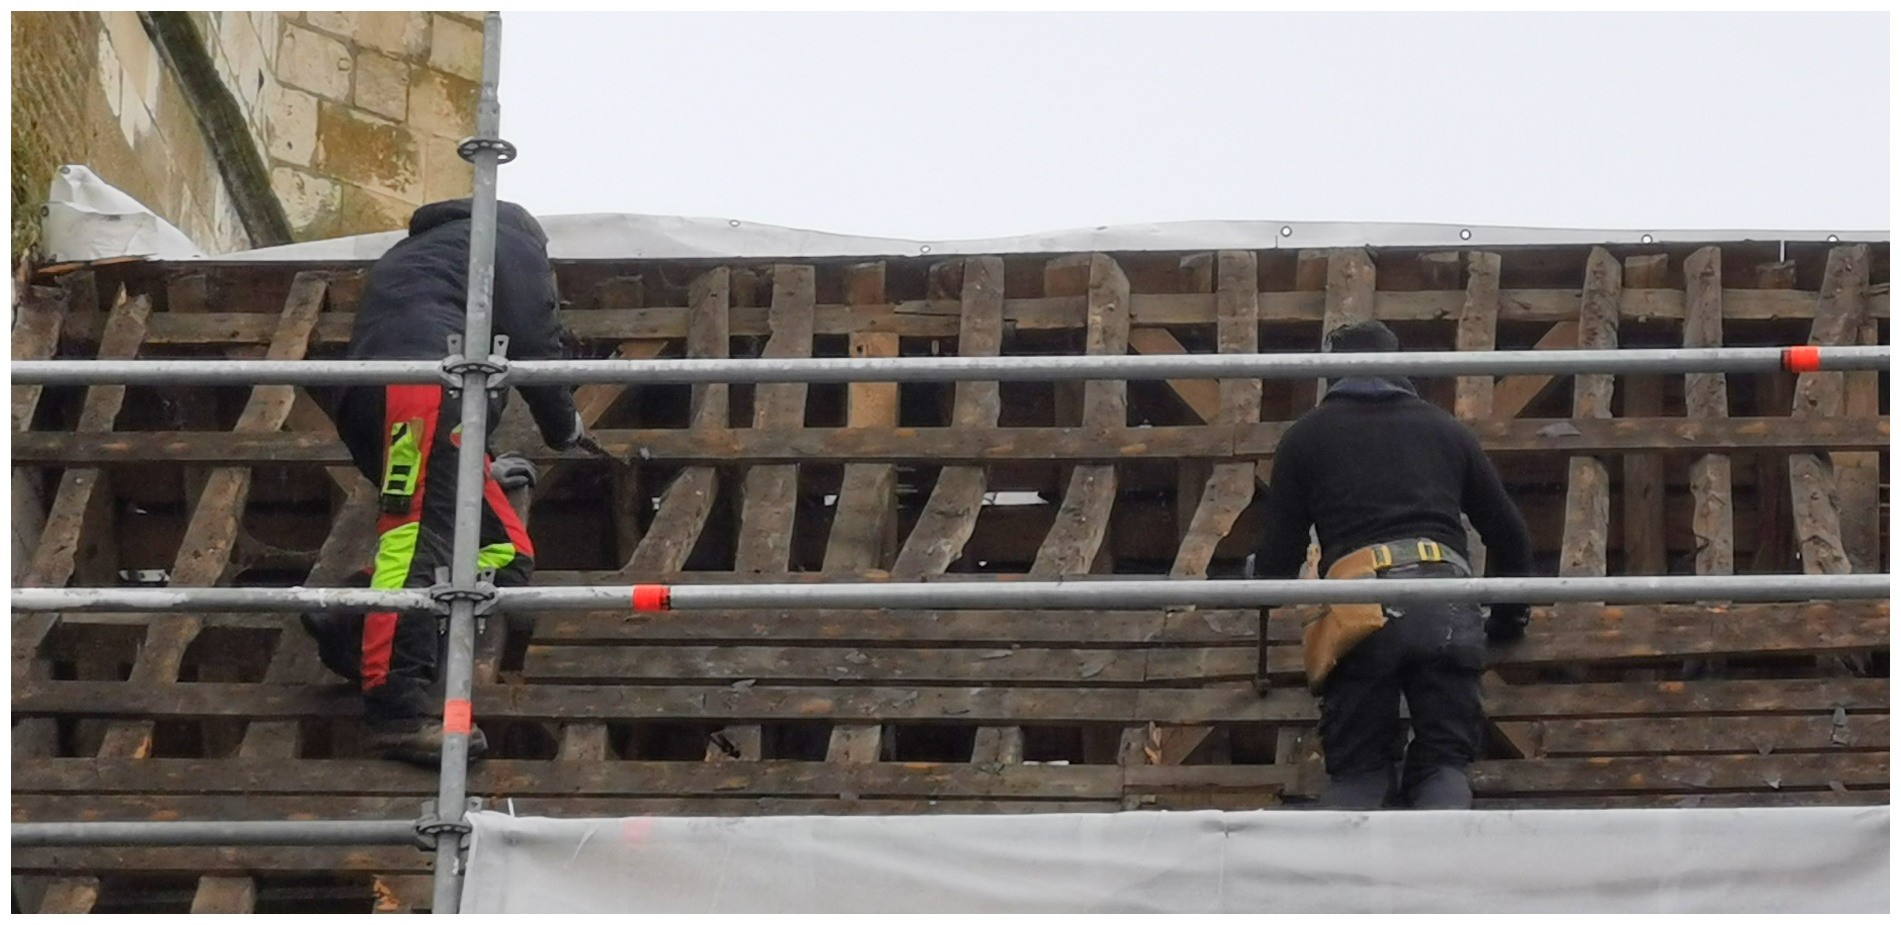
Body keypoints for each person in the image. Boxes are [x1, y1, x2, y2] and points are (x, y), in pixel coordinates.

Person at [303, 198, 587, 767]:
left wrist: (474, 467)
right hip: (424, 393)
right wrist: (564, 426)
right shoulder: (508, 241)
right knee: (417, 543)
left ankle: (349, 618)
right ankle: (397, 712)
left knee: (502, 554)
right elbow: (536, 339)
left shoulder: (419, 253)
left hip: (387, 402)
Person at [1256, 320, 1535, 809]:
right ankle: (1443, 869)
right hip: (1446, 606)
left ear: (1330, 375)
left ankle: (1341, 877)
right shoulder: (1448, 431)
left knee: (1359, 774)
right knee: (1444, 765)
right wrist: (1507, 621)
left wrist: (1255, 580)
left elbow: (1278, 565)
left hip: (1360, 609)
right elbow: (1511, 538)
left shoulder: (1305, 438)